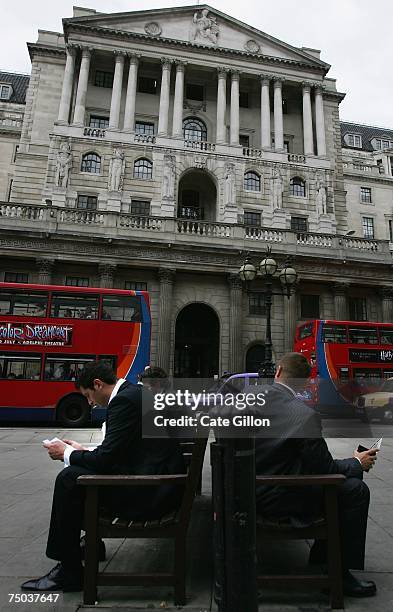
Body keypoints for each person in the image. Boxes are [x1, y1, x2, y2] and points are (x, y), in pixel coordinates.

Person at [21, 361, 186, 592]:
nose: (89, 403)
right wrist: (82, 451)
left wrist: (67, 453)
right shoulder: (134, 394)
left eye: (88, 395)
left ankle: (69, 570)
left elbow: (106, 460)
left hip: (150, 495)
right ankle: (89, 546)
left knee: (69, 479)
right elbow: (119, 451)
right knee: (75, 475)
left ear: (98, 385)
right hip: (160, 484)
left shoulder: (124, 401)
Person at [255, 352, 378, 598]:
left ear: (278, 371)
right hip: (276, 498)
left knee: (349, 480)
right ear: (306, 383)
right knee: (355, 490)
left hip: (244, 489)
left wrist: (352, 463)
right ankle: (337, 573)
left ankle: (324, 559)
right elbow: (325, 470)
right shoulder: (302, 414)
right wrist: (356, 462)